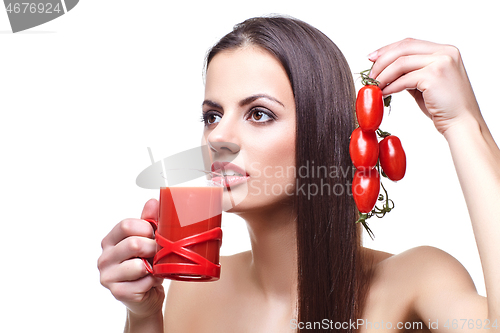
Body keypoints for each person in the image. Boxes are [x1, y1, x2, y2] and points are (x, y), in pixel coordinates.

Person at [98, 16, 500, 332]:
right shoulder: (190, 293)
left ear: (325, 133)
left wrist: (464, 124)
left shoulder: (416, 280)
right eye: (212, 116)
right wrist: (143, 315)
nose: (217, 136)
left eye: (259, 113)